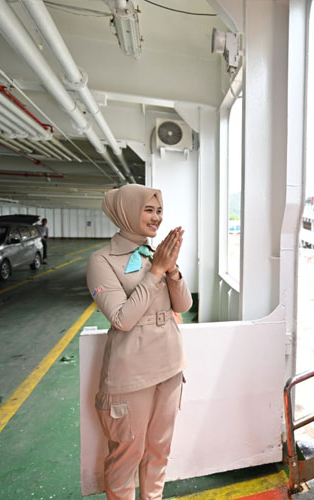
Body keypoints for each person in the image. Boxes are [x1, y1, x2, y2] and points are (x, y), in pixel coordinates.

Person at [86, 184, 192, 500]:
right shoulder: (101, 261)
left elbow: (183, 306)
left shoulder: (155, 253)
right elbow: (122, 319)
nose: (156, 217)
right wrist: (156, 270)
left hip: (170, 365)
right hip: (131, 374)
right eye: (148, 209)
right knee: (127, 454)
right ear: (127, 212)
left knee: (159, 449)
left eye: (159, 210)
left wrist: (172, 272)